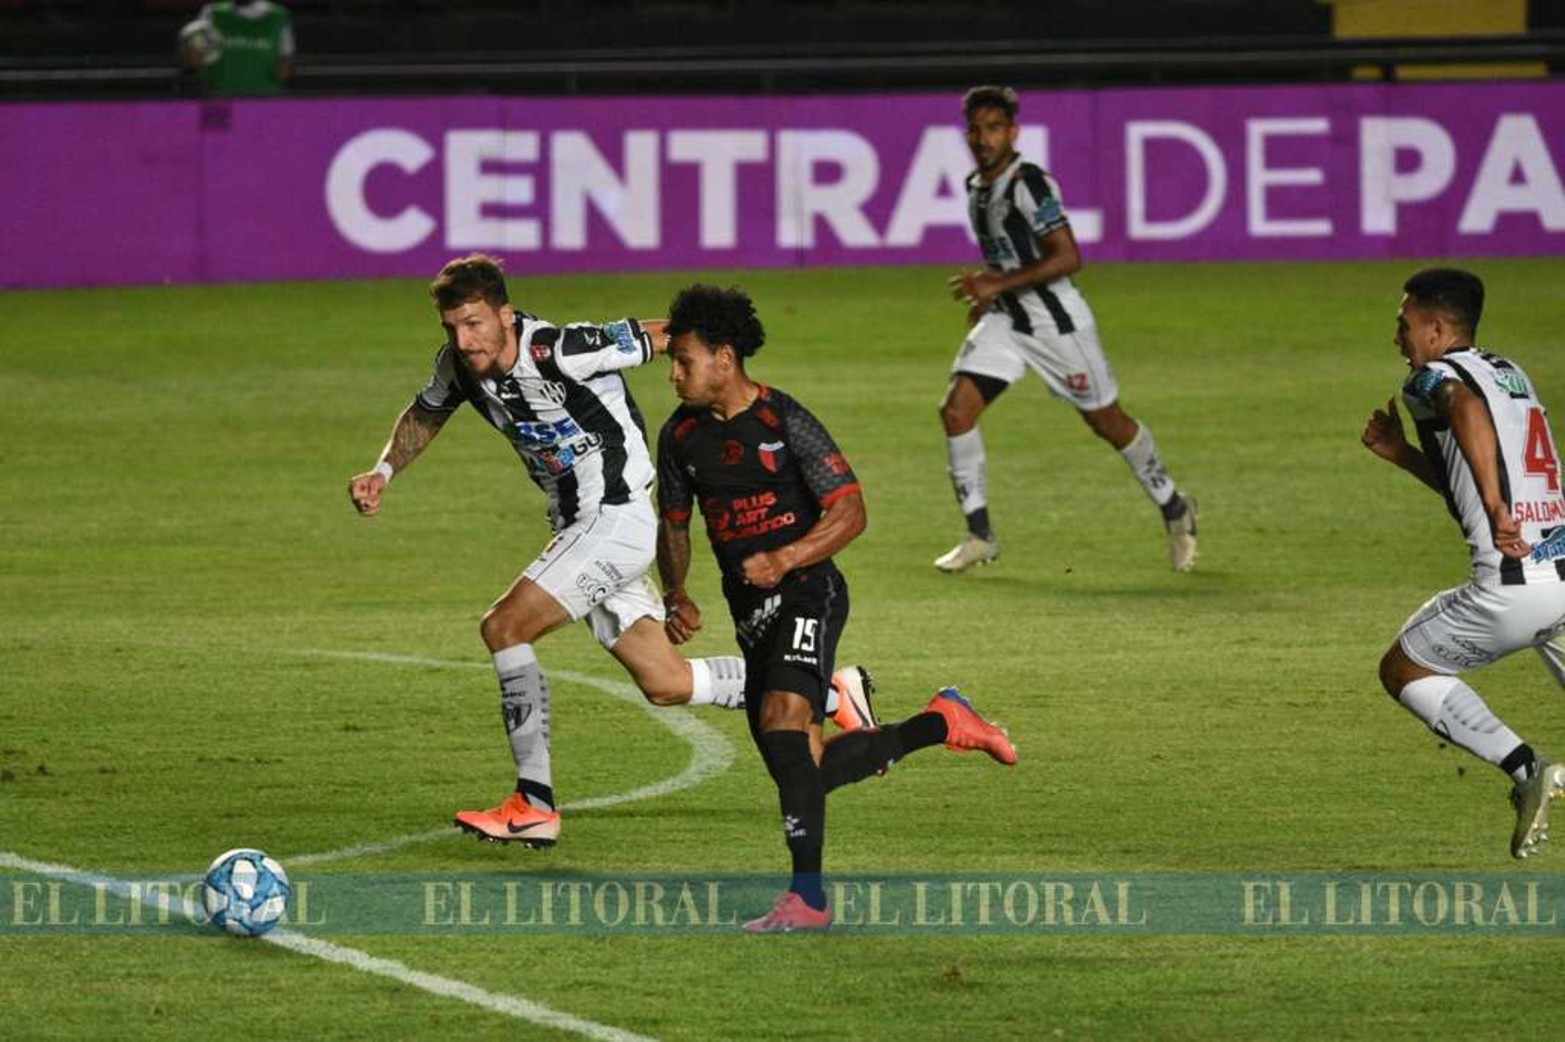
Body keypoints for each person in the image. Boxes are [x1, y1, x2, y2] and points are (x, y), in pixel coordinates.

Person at [347, 256, 875, 851]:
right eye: (451, 327)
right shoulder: (460, 367)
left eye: (473, 324)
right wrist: (384, 470)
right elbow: (427, 410)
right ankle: (832, 692)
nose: (462, 340)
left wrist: (712, 340)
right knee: (666, 681)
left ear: (502, 313)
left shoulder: (560, 349)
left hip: (616, 517)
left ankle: (535, 803)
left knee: (504, 626)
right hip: (579, 522)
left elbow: (665, 335)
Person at [655, 284, 1018, 933]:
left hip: (807, 591)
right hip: (749, 615)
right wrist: (676, 593)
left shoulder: (783, 421)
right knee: (805, 773)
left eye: (683, 360)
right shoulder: (679, 436)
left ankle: (808, 901)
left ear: (724, 358)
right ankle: (941, 721)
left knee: (779, 721)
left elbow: (850, 510)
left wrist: (786, 558)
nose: (674, 373)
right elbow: (675, 523)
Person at [936, 84, 1198, 574]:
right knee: (956, 411)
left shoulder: (1030, 183)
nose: (982, 137)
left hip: (1058, 325)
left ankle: (1176, 508)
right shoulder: (977, 186)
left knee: (1107, 422)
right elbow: (1007, 256)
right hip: (1008, 321)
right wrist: (991, 295)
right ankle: (979, 535)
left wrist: (998, 283)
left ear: (1012, 132)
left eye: (993, 127)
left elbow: (1069, 256)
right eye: (975, 128)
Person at [1361, 267, 1565, 859]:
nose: (1397, 337)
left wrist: (1499, 508)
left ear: (1435, 327)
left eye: (1403, 324)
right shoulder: (1512, 373)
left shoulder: (1432, 380)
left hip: (1512, 586)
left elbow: (1462, 407)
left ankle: (1527, 768)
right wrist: (1402, 454)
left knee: (1404, 669)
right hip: (1561, 575)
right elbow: (1466, 487)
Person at [178, 1, 295, 97]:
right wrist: (193, 56)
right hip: (217, 98)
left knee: (264, 125)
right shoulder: (211, 12)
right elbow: (192, 54)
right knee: (213, 126)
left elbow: (286, 61)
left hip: (263, 100)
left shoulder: (279, 16)